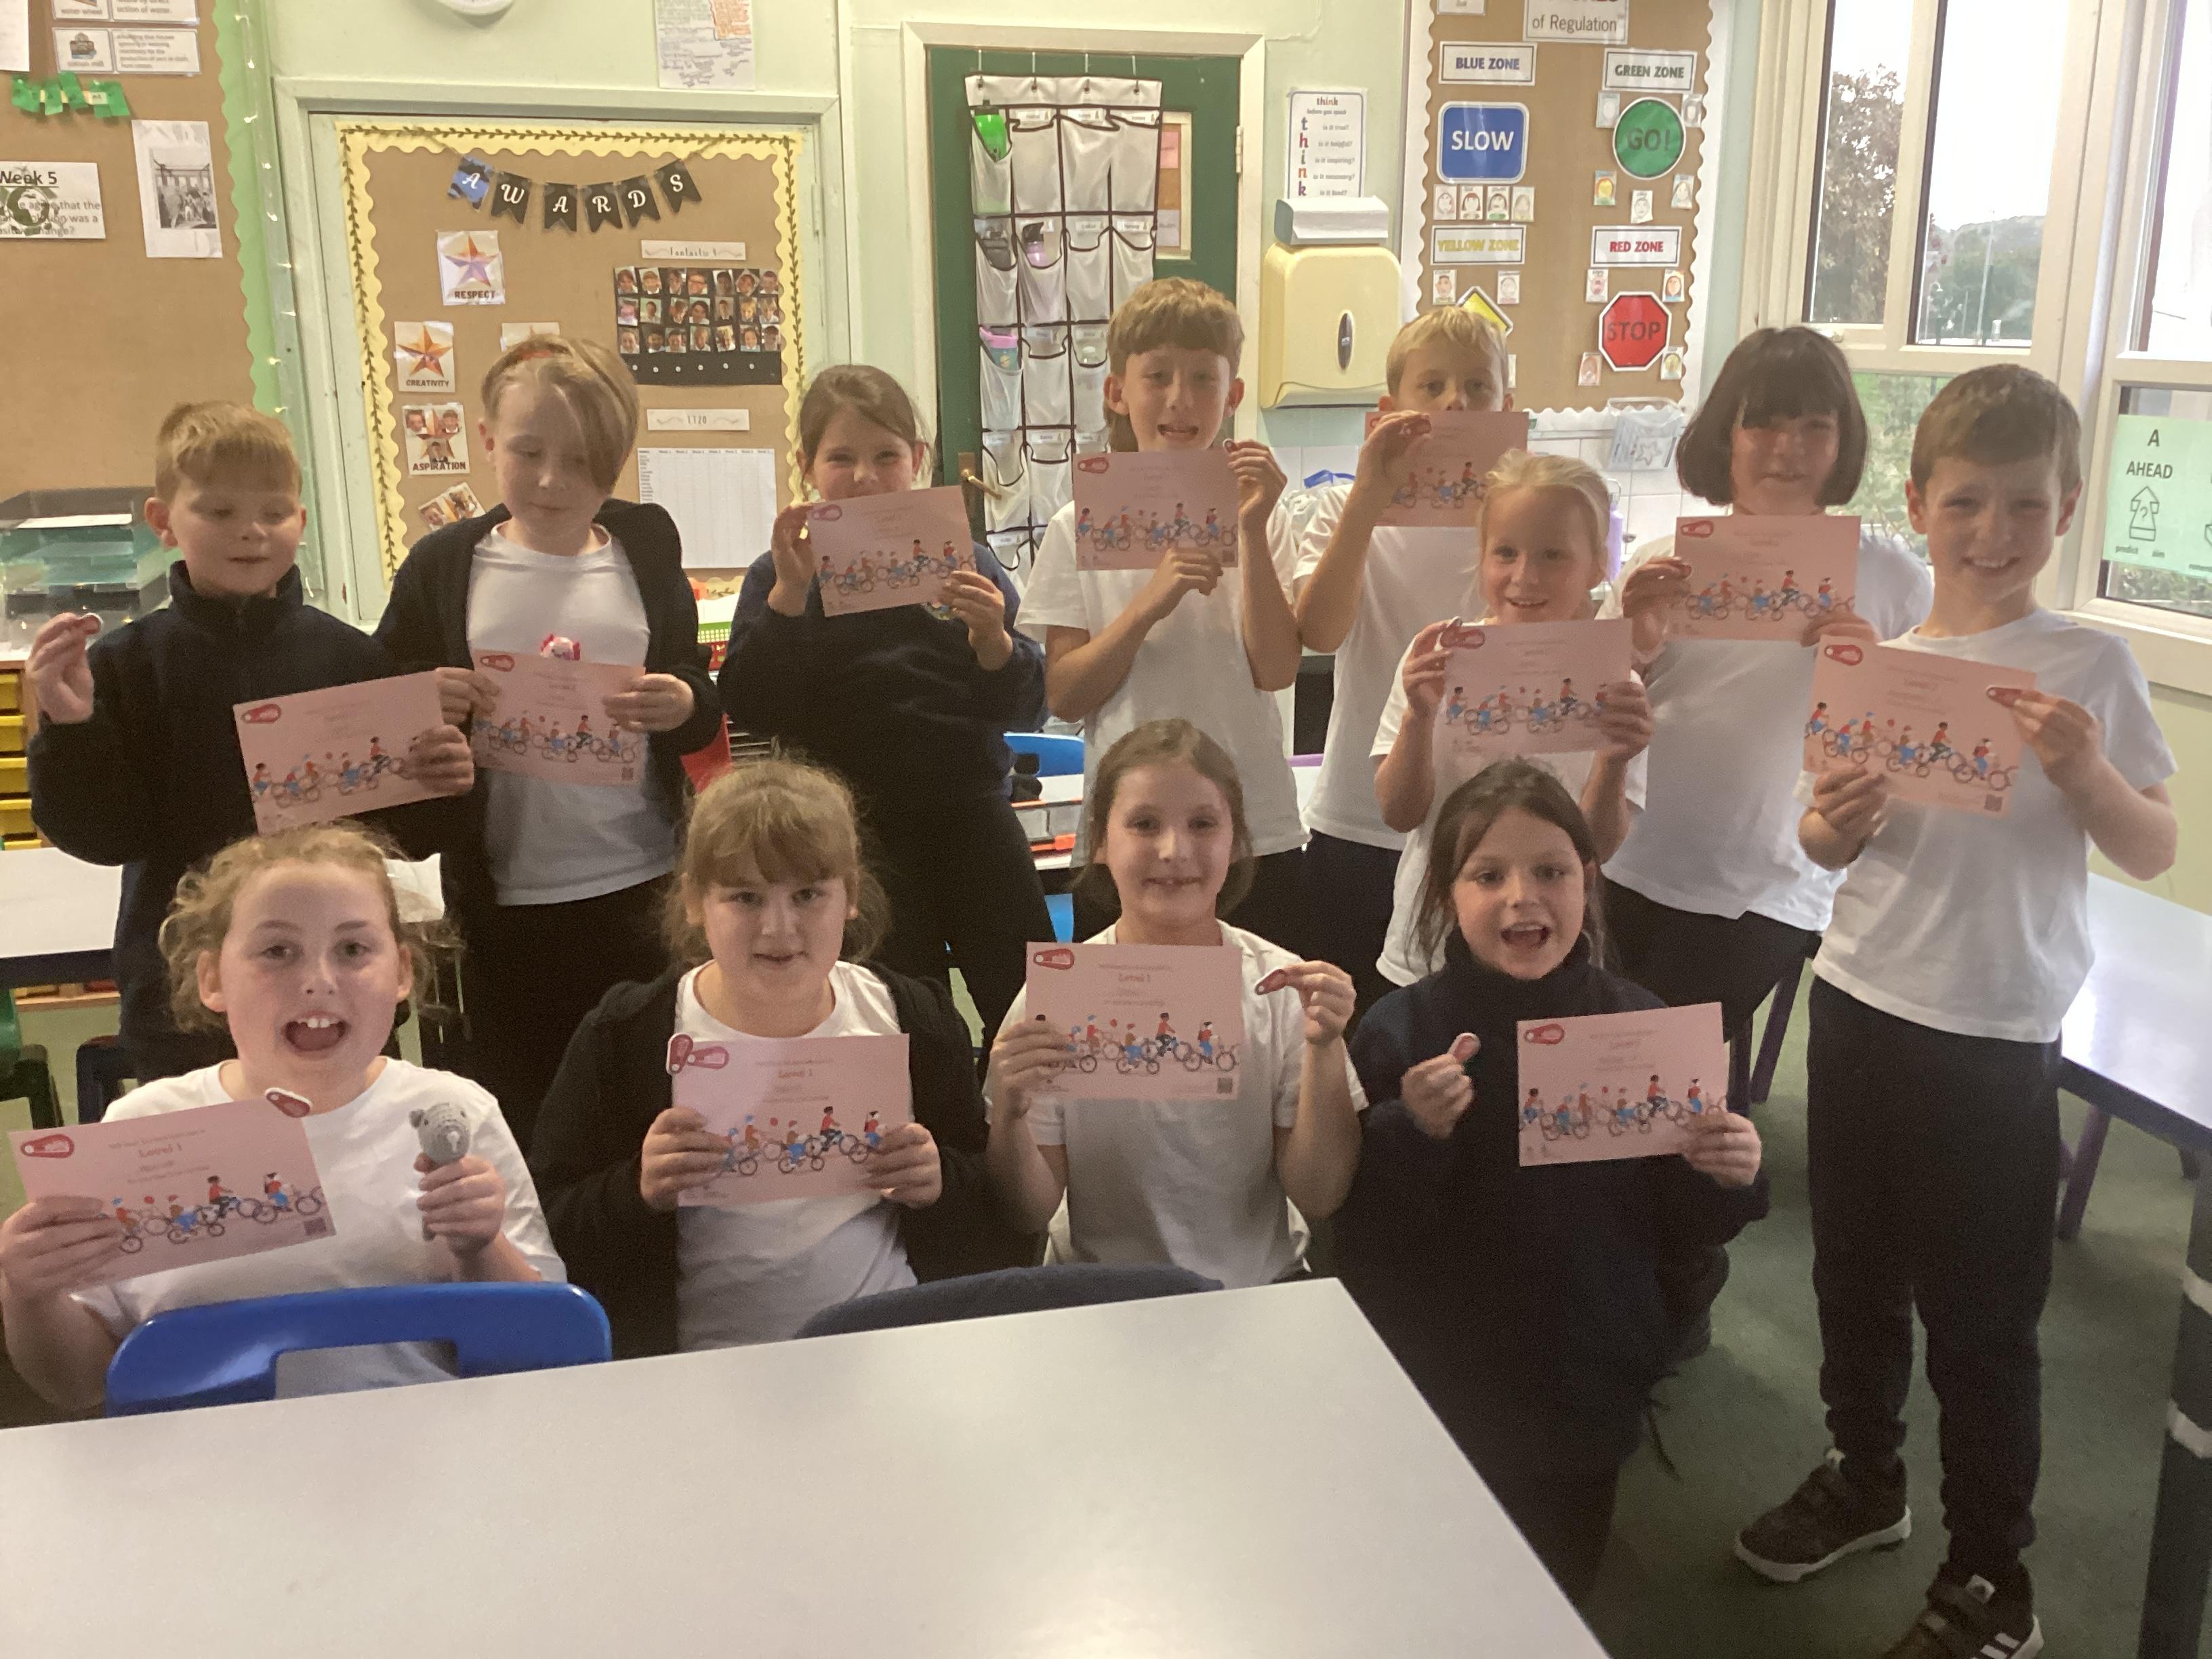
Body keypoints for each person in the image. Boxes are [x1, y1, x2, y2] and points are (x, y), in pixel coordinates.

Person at [1737, 367, 2177, 1659]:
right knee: (1850, 1275)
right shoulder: (1877, 667)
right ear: (1917, 502)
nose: (1992, 531)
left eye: (2024, 505)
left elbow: (2150, 845)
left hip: (1990, 1034)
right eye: (1965, 502)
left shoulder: (2087, 664)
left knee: (1981, 1321)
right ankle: (1864, 1473)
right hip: (1859, 1001)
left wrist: (2083, 772)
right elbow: (1817, 843)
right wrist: (1832, 821)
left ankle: (1992, 1575)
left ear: (2067, 509)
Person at [1330, 760, 1767, 1603]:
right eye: (1488, 875)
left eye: (1551, 872)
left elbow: (1683, 1234)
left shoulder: (1644, 1030)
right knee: (1425, 1581)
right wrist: (1410, 1131)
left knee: (1555, 1584)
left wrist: (1724, 1174)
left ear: (1589, 882)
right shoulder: (1401, 1031)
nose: (1522, 898)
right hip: (1435, 1373)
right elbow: (1363, 1236)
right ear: (1446, 894)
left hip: (1584, 1378)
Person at [1604, 327, 1933, 1360]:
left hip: (1768, 880)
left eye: (1813, 426)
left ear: (1843, 443)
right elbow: (1603, 703)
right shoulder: (1667, 560)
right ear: (1725, 436)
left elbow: (1921, 728)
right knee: (1609, 1075)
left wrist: (1868, 663)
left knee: (1665, 1080)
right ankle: (1611, 1274)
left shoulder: (1890, 577)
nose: (1787, 448)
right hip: (1632, 857)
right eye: (1763, 424)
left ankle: (1682, 1279)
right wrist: (1632, 646)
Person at [0, 823, 559, 1408]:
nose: (318, 981)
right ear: (212, 979)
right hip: (202, 1451)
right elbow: (77, 1383)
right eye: (277, 952)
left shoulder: (455, 1115)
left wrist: (480, 1244)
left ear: (402, 973)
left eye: (353, 949)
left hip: (423, 1440)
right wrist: (29, 1293)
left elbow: (542, 1347)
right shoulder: (141, 1127)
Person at [24, 402, 474, 1082]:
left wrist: (442, 780)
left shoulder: (350, 659)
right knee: (209, 1145)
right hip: (185, 990)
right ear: (163, 522)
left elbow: (403, 835)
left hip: (336, 989)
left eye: (274, 511)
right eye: (220, 511)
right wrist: (71, 726)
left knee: (340, 1142)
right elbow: (102, 835)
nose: (251, 532)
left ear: (301, 520)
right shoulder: (125, 666)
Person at [529, 758, 1023, 1355]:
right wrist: (638, 1187)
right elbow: (547, 1227)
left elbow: (994, 1211)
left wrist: (939, 1179)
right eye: (745, 897)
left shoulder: (912, 1017)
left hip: (890, 1345)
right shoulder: (629, 1036)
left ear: (851, 897)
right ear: (695, 902)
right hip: (706, 1363)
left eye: (808, 895)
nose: (779, 928)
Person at [374, 336, 724, 1148]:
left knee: (649, 1106)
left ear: (617, 461)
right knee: (525, 1119)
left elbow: (693, 680)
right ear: (487, 440)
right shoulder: (444, 566)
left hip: (644, 883)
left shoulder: (645, 548)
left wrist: (684, 700)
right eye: (528, 452)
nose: (551, 480)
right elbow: (383, 714)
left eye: (583, 461)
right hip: (506, 904)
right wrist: (424, 702)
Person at [718, 365, 1052, 1042]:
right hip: (850, 833)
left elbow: (1029, 707)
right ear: (808, 466)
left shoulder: (968, 563)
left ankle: (1032, 1107)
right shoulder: (782, 571)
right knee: (896, 1015)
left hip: (969, 812)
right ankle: (928, 1106)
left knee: (1032, 1002)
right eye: (841, 458)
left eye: (886, 456)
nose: (865, 478)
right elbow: (752, 707)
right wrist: (787, 597)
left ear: (917, 459)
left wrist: (993, 639)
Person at [985, 719, 1364, 1288]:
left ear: (1236, 841)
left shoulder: (1280, 990)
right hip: (1099, 1292)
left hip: (1255, 1288)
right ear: (1100, 841)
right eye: (1144, 824)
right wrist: (1011, 1115)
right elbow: (1028, 1210)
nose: (1174, 850)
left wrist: (1326, 1048)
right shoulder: (1054, 998)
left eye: (1203, 824)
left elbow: (1320, 1193)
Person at [1015, 279, 1311, 953]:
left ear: (1233, 396)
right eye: (1157, 377)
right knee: (1131, 1007)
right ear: (1118, 391)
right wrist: (1149, 604)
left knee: (1260, 1003)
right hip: (1128, 832)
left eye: (1204, 378)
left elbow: (1276, 670)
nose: (1180, 398)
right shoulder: (1076, 524)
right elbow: (1066, 693)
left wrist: (1253, 527)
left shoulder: (1263, 517)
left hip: (1253, 827)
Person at [1292, 306, 1515, 1014]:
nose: (1456, 404)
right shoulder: (1341, 505)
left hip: (1479, 823)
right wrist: (1370, 494)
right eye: (1434, 386)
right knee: (1349, 1023)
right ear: (1391, 409)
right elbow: (1320, 632)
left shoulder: (1521, 523)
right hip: (1357, 814)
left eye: (1478, 388)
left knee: (1462, 1025)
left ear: (1507, 406)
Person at [1372, 450, 1652, 991]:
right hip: (1430, 951)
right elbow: (1398, 812)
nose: (1525, 576)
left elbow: (1595, 848)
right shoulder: (1436, 659)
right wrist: (1418, 717)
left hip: (1550, 952)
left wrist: (1615, 761)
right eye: (1506, 553)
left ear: (1598, 565)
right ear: (1482, 559)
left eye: (1553, 555)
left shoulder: (1616, 686)